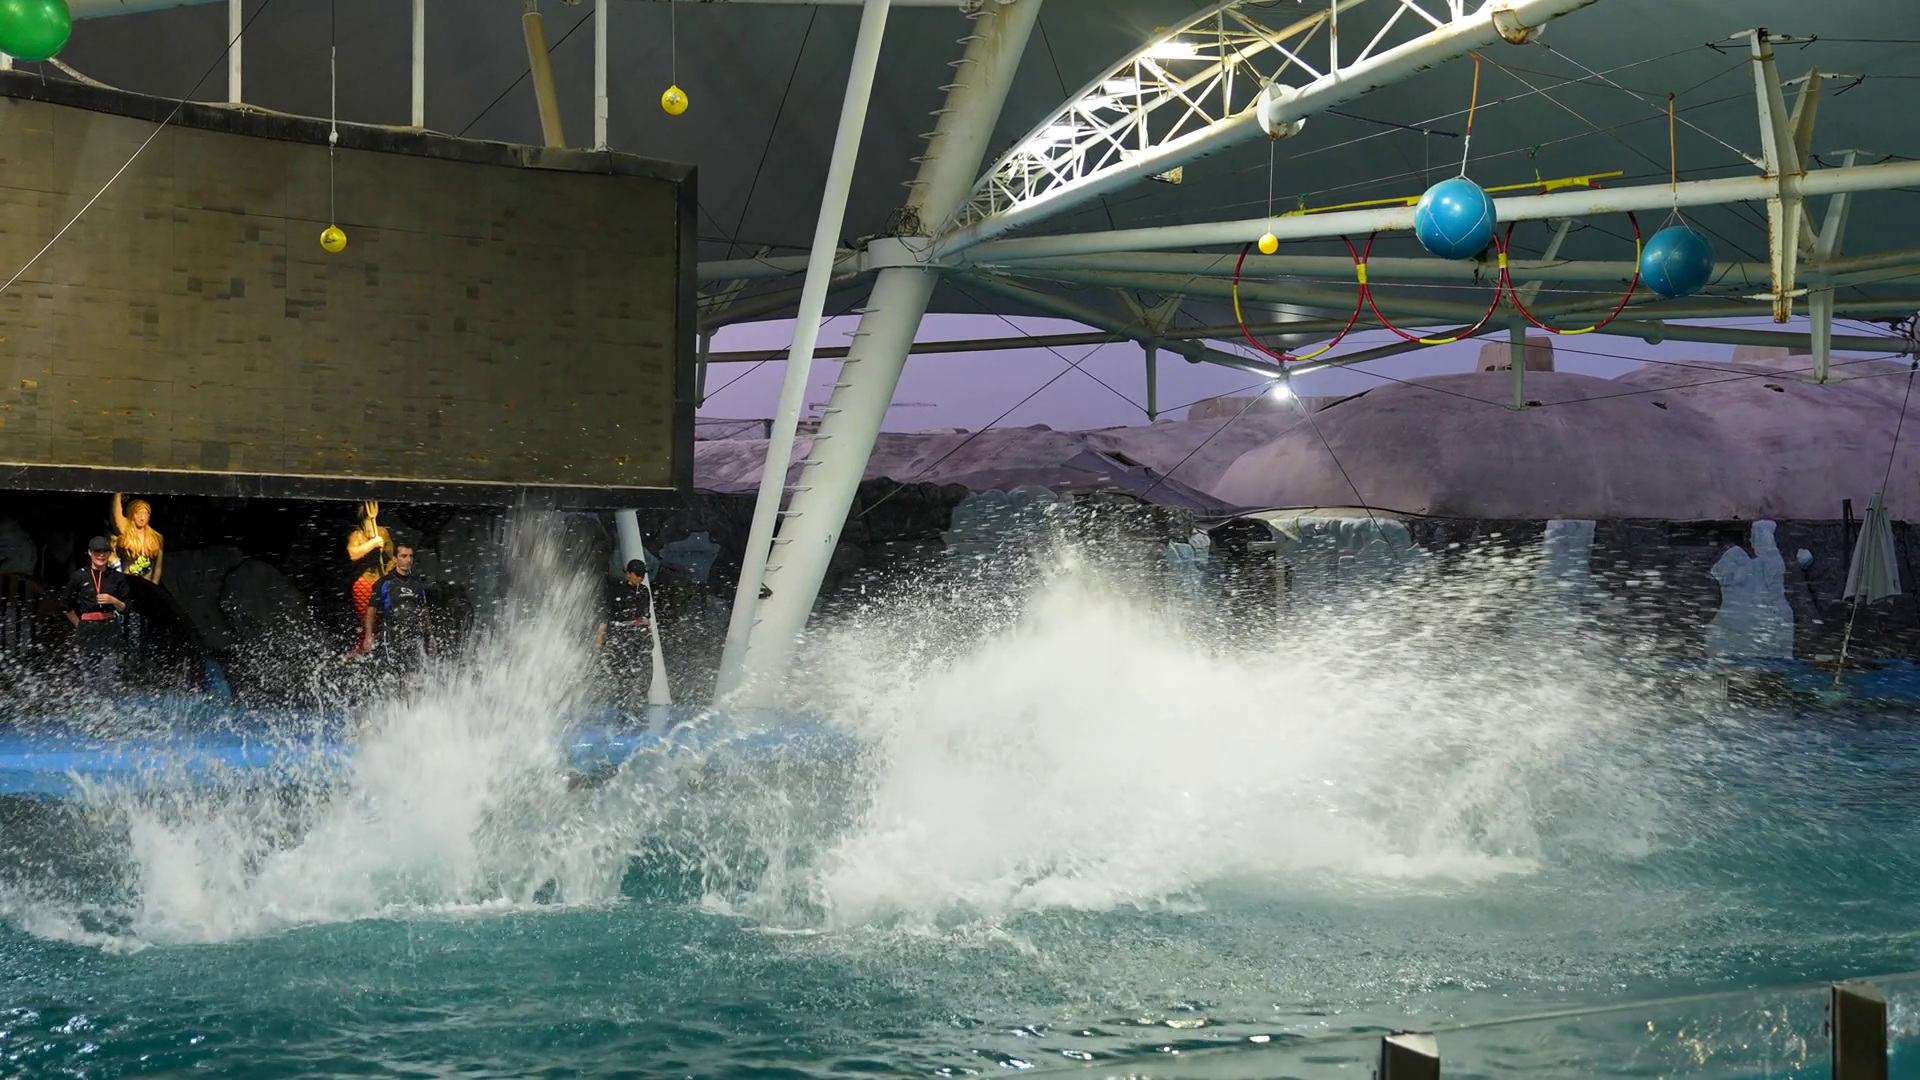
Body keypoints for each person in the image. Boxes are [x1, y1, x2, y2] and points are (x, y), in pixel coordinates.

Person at [65, 535, 132, 683]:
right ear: (90, 553)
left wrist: (113, 600)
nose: (101, 555)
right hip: (87, 627)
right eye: (97, 551)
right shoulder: (79, 576)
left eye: (105, 551)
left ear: (109, 554)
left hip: (110, 627)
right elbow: (66, 603)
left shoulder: (117, 577)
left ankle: (112, 694)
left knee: (114, 669)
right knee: (88, 670)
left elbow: (126, 607)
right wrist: (79, 623)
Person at [362, 542, 432, 674]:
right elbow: (371, 610)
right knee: (394, 672)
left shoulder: (416, 583)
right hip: (391, 634)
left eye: (411, 556)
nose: (408, 560)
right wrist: (368, 636)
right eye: (404, 556)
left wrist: (429, 636)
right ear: (395, 559)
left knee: (414, 673)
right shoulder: (383, 583)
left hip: (412, 634)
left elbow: (424, 610)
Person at [598, 559, 653, 706]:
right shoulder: (617, 590)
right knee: (623, 671)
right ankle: (623, 701)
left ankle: (639, 701)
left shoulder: (644, 591)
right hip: (620, 633)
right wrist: (602, 638)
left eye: (642, 575)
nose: (640, 578)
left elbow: (646, 616)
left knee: (644, 670)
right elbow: (608, 616)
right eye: (637, 574)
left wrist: (649, 635)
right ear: (628, 574)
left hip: (638, 634)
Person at [345, 501, 394, 655]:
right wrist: (372, 544)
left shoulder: (382, 532)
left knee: (381, 621)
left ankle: (377, 650)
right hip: (363, 583)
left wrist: (387, 574)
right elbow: (353, 554)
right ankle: (360, 649)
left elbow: (392, 559)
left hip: (379, 582)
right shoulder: (356, 534)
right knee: (365, 621)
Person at [109, 493, 163, 583]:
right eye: (138, 514)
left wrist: (154, 585)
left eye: (146, 514)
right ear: (131, 513)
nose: (142, 518)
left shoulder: (155, 538)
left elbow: (157, 568)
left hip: (146, 584)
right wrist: (117, 495)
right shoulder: (126, 534)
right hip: (127, 582)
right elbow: (117, 518)